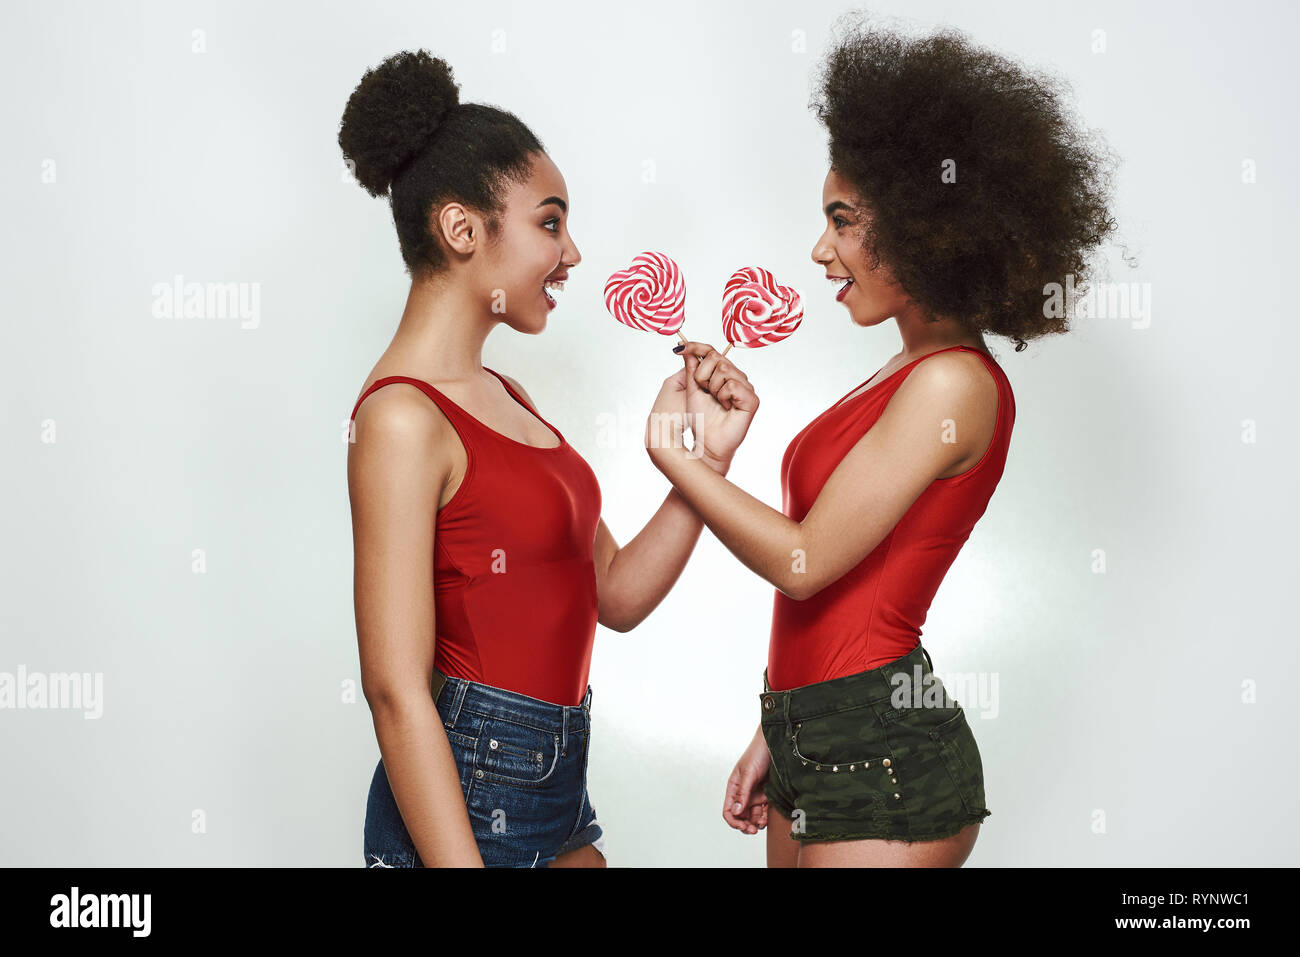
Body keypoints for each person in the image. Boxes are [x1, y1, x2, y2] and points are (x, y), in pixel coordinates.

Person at [647, 15, 1117, 866]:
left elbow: (804, 562)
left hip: (886, 753)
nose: (820, 249)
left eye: (842, 220)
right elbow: (838, 589)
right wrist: (777, 726)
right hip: (812, 734)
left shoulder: (953, 384)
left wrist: (682, 462)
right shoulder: (905, 368)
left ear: (923, 224)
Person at [341, 50, 758, 867]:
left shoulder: (508, 395)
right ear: (462, 228)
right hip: (469, 794)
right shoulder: (400, 418)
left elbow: (617, 593)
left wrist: (700, 466)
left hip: (558, 783)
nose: (572, 254)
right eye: (550, 221)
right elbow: (395, 691)